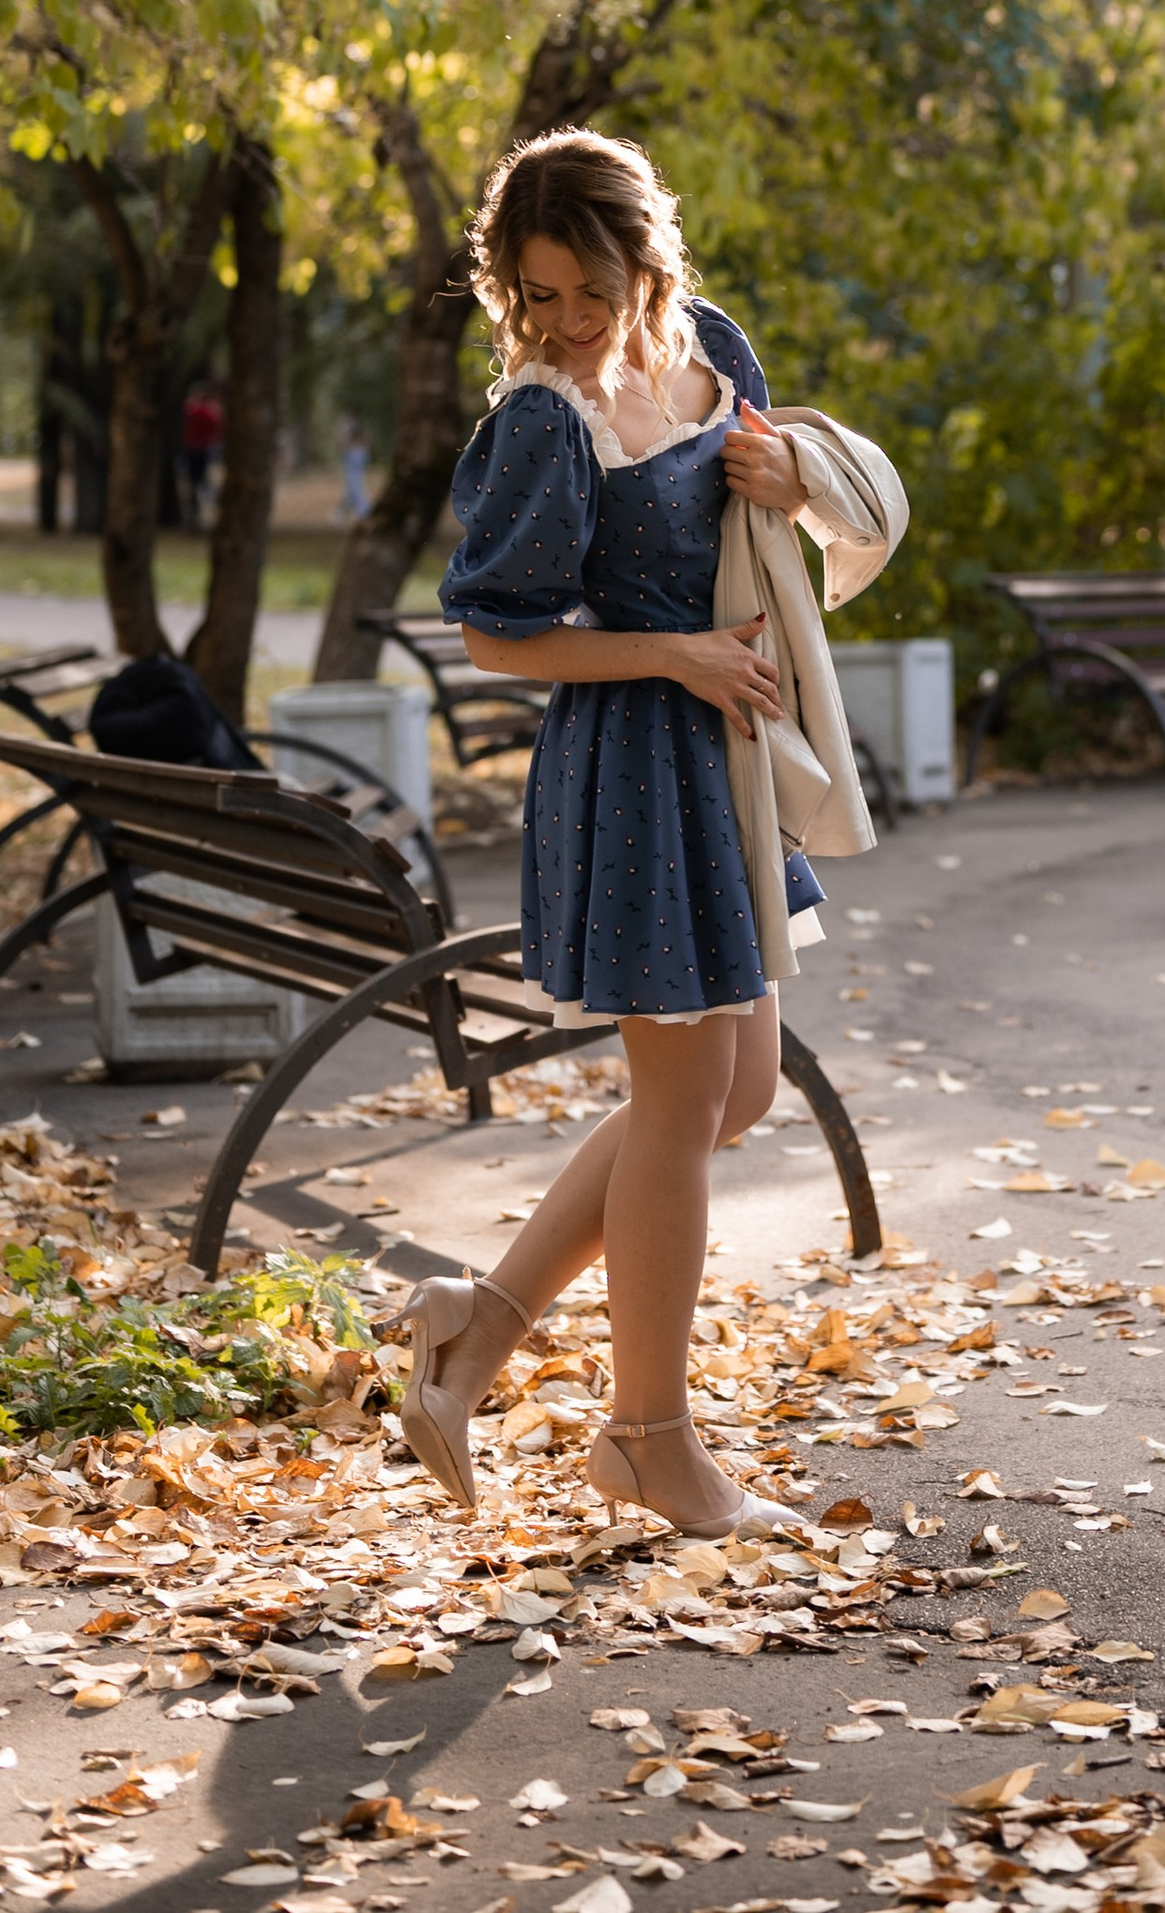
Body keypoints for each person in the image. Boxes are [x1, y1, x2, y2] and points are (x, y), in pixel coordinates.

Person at [396, 129, 887, 1539]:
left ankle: (477, 1328)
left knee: (738, 1093)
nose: (564, 320)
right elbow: (498, 638)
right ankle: (648, 1440)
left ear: (646, 261)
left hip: (726, 760)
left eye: (588, 290)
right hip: (634, 772)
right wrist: (675, 654)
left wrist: (787, 480)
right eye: (536, 294)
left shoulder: (713, 349)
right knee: (683, 1106)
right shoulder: (544, 421)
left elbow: (766, 517)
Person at [179, 374, 224, 527]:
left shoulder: (199, 410)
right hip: (199, 450)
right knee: (198, 483)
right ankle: (195, 513)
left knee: (200, 482)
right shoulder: (210, 410)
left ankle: (198, 512)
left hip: (201, 450)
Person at [337, 414, 372, 524]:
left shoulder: (351, 427)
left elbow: (345, 441)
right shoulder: (358, 427)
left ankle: (362, 511)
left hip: (354, 458)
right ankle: (341, 513)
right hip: (358, 458)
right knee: (353, 488)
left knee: (354, 488)